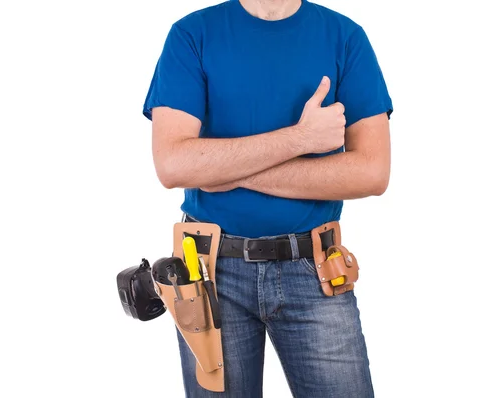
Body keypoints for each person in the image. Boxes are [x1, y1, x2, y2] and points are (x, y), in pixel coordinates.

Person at [142, 0, 392, 396]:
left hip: (316, 270)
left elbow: (372, 173)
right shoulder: (192, 35)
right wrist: (301, 139)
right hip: (210, 275)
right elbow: (174, 165)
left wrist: (227, 168)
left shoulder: (345, 37)